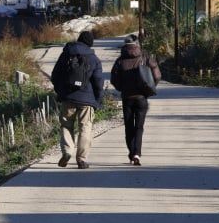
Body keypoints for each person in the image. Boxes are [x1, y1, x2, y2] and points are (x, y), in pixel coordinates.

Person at [50, 30, 104, 169]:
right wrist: (97, 100)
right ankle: (81, 159)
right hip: (87, 100)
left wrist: (61, 92)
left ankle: (67, 151)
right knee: (85, 128)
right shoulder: (93, 58)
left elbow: (55, 75)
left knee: (66, 125)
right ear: (90, 44)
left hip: (67, 98)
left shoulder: (66, 53)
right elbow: (98, 81)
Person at [110, 34, 161, 166]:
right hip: (141, 97)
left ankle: (132, 153)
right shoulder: (145, 57)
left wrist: (122, 88)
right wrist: (150, 87)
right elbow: (157, 75)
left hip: (127, 97)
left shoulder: (120, 60)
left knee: (128, 127)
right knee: (139, 127)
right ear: (137, 44)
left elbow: (114, 79)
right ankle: (137, 153)